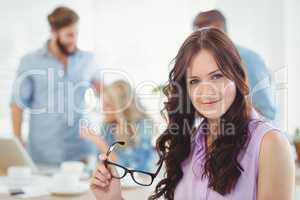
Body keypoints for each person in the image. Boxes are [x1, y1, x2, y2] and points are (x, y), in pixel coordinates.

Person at [89, 28, 294, 200]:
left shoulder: (269, 144)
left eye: (216, 76)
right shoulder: (190, 142)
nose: (206, 90)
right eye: (195, 81)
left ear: (237, 76)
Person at [10, 7, 101, 165]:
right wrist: (18, 143)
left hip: (81, 152)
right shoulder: (30, 62)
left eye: (76, 33)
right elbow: (17, 104)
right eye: (69, 35)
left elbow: (106, 94)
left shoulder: (88, 60)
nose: (74, 40)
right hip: (43, 153)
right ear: (53, 31)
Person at [192, 9, 276, 121]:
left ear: (219, 28)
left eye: (204, 32)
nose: (200, 40)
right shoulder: (206, 62)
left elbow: (266, 111)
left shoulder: (247, 59)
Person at [81, 80, 155, 171]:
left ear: (121, 107)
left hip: (141, 182)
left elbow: (132, 168)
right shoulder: (109, 125)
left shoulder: (143, 125)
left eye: (108, 105)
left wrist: (100, 142)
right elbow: (101, 163)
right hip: (114, 183)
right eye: (103, 104)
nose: (103, 110)